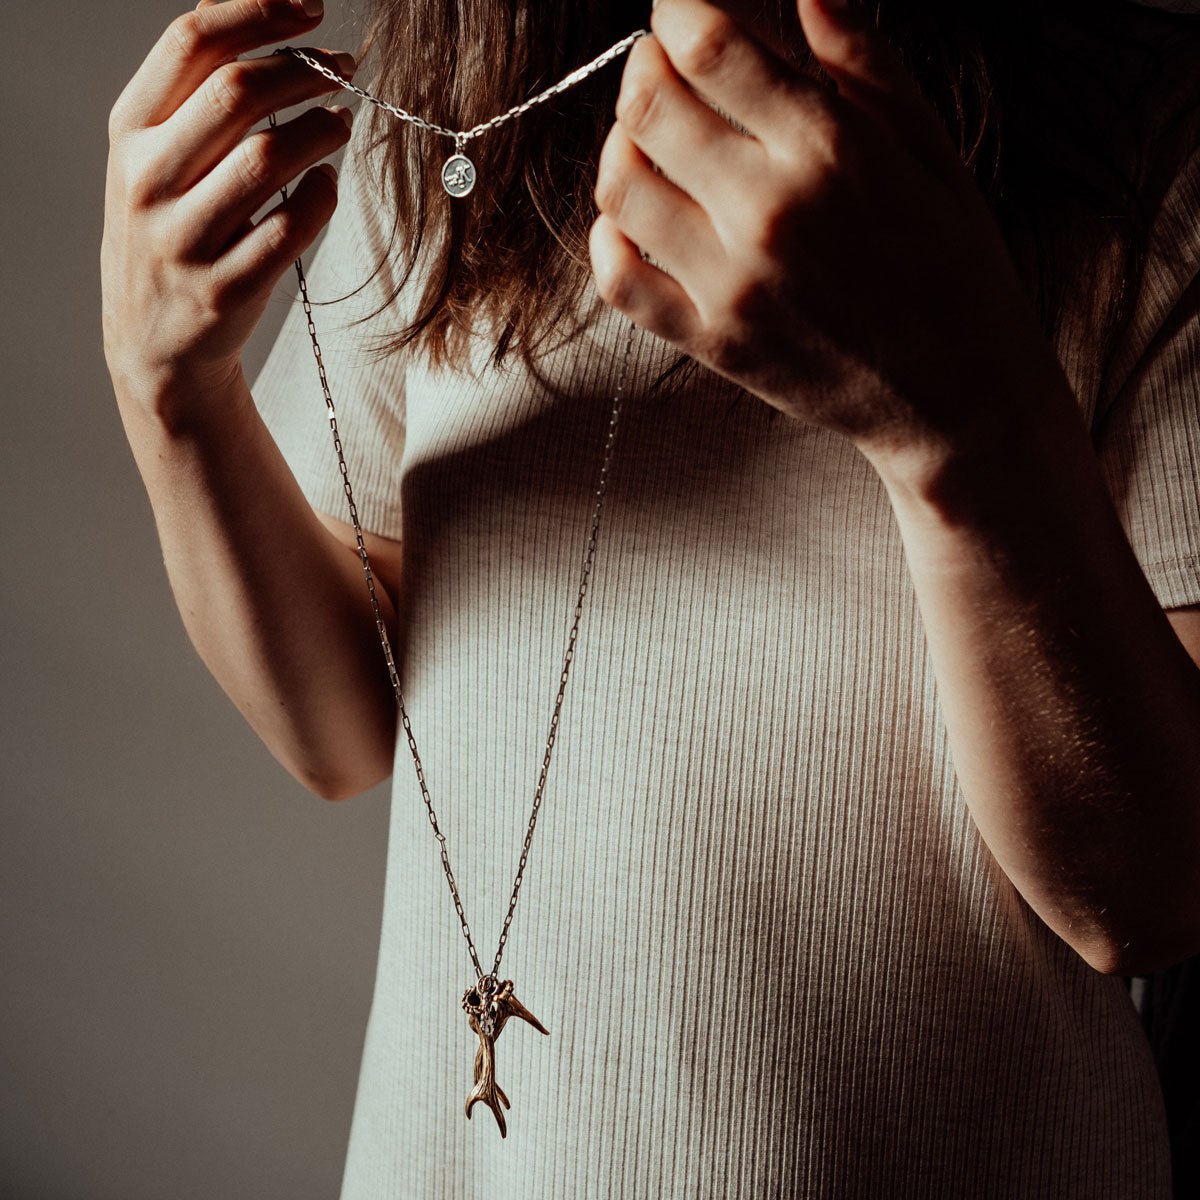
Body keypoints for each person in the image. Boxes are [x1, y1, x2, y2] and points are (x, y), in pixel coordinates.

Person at [101, 0, 1200, 1193]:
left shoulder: (1154, 125)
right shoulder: (458, 88)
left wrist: (960, 432)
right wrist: (173, 392)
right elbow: (340, 728)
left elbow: (1153, 899)